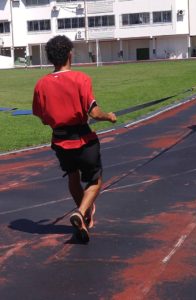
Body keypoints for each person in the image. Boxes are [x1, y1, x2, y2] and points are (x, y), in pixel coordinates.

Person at [32, 35, 117, 243]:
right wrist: (109, 116)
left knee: (72, 177)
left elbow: (41, 117)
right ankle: (81, 212)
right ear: (70, 54)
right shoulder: (81, 78)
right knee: (95, 180)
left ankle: (85, 216)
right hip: (82, 138)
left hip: (60, 140)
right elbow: (94, 113)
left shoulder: (41, 84)